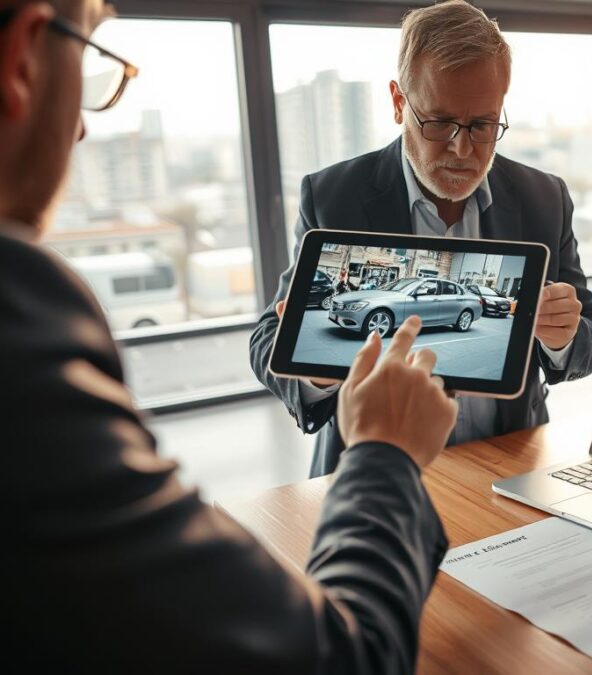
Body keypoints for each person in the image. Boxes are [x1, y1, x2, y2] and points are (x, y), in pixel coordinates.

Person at [1, 1, 458, 671]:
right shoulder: (20, 325)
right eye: (91, 57)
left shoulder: (542, 195)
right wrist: (384, 450)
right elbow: (341, 658)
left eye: (483, 123)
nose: (76, 129)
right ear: (24, 57)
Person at [250, 0, 592, 477]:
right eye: (440, 123)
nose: (463, 150)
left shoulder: (544, 196)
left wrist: (562, 339)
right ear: (399, 102)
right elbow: (266, 340)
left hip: (506, 470)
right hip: (376, 474)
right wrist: (319, 369)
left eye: (483, 126)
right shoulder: (334, 194)